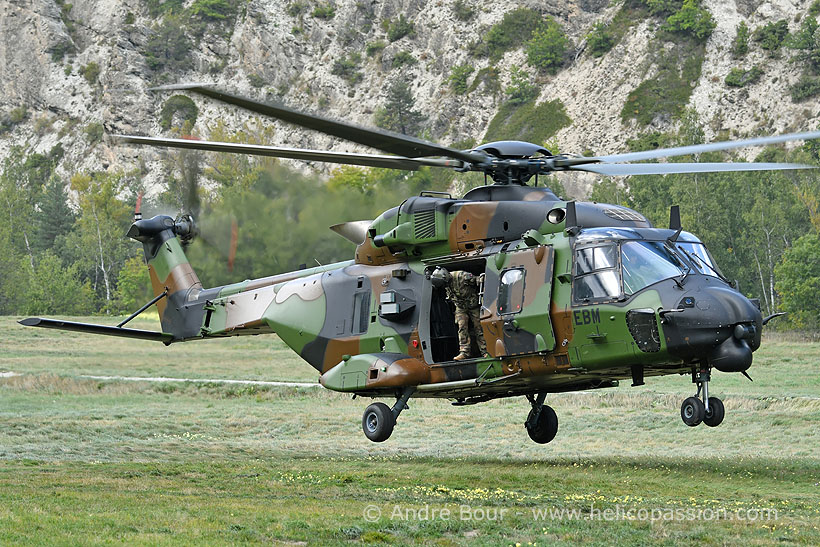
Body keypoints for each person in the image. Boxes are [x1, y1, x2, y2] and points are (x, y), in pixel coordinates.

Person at [430, 267, 488, 361]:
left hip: (473, 306)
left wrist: (481, 280)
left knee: (479, 328)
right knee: (462, 328)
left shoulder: (461, 276)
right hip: (460, 307)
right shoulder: (445, 284)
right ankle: (464, 352)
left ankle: (485, 351)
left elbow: (477, 279)